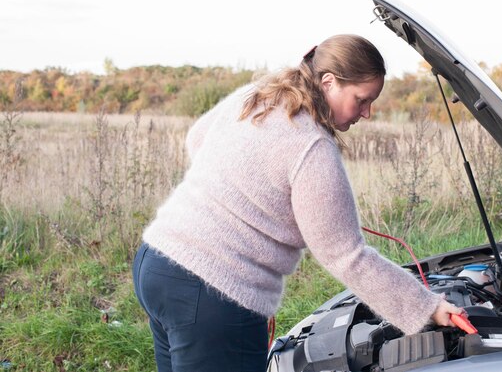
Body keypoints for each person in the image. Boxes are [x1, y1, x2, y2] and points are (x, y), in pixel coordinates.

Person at [132, 34, 463, 372]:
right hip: (213, 294)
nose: (367, 113)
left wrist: (246, 192)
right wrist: (427, 307)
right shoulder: (311, 146)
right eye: (361, 99)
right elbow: (346, 256)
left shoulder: (258, 95)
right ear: (329, 82)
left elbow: (198, 138)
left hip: (157, 265)